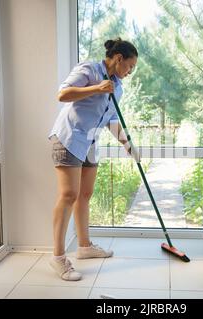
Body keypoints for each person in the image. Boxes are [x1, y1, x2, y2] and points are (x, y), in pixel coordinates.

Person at [48, 38, 139, 281]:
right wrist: (97, 88)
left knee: (85, 195)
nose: (130, 72)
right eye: (130, 66)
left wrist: (129, 145)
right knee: (68, 195)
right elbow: (63, 94)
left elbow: (110, 120)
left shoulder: (117, 87)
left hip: (90, 141)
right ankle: (57, 258)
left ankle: (85, 247)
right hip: (68, 138)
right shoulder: (89, 69)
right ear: (118, 58)